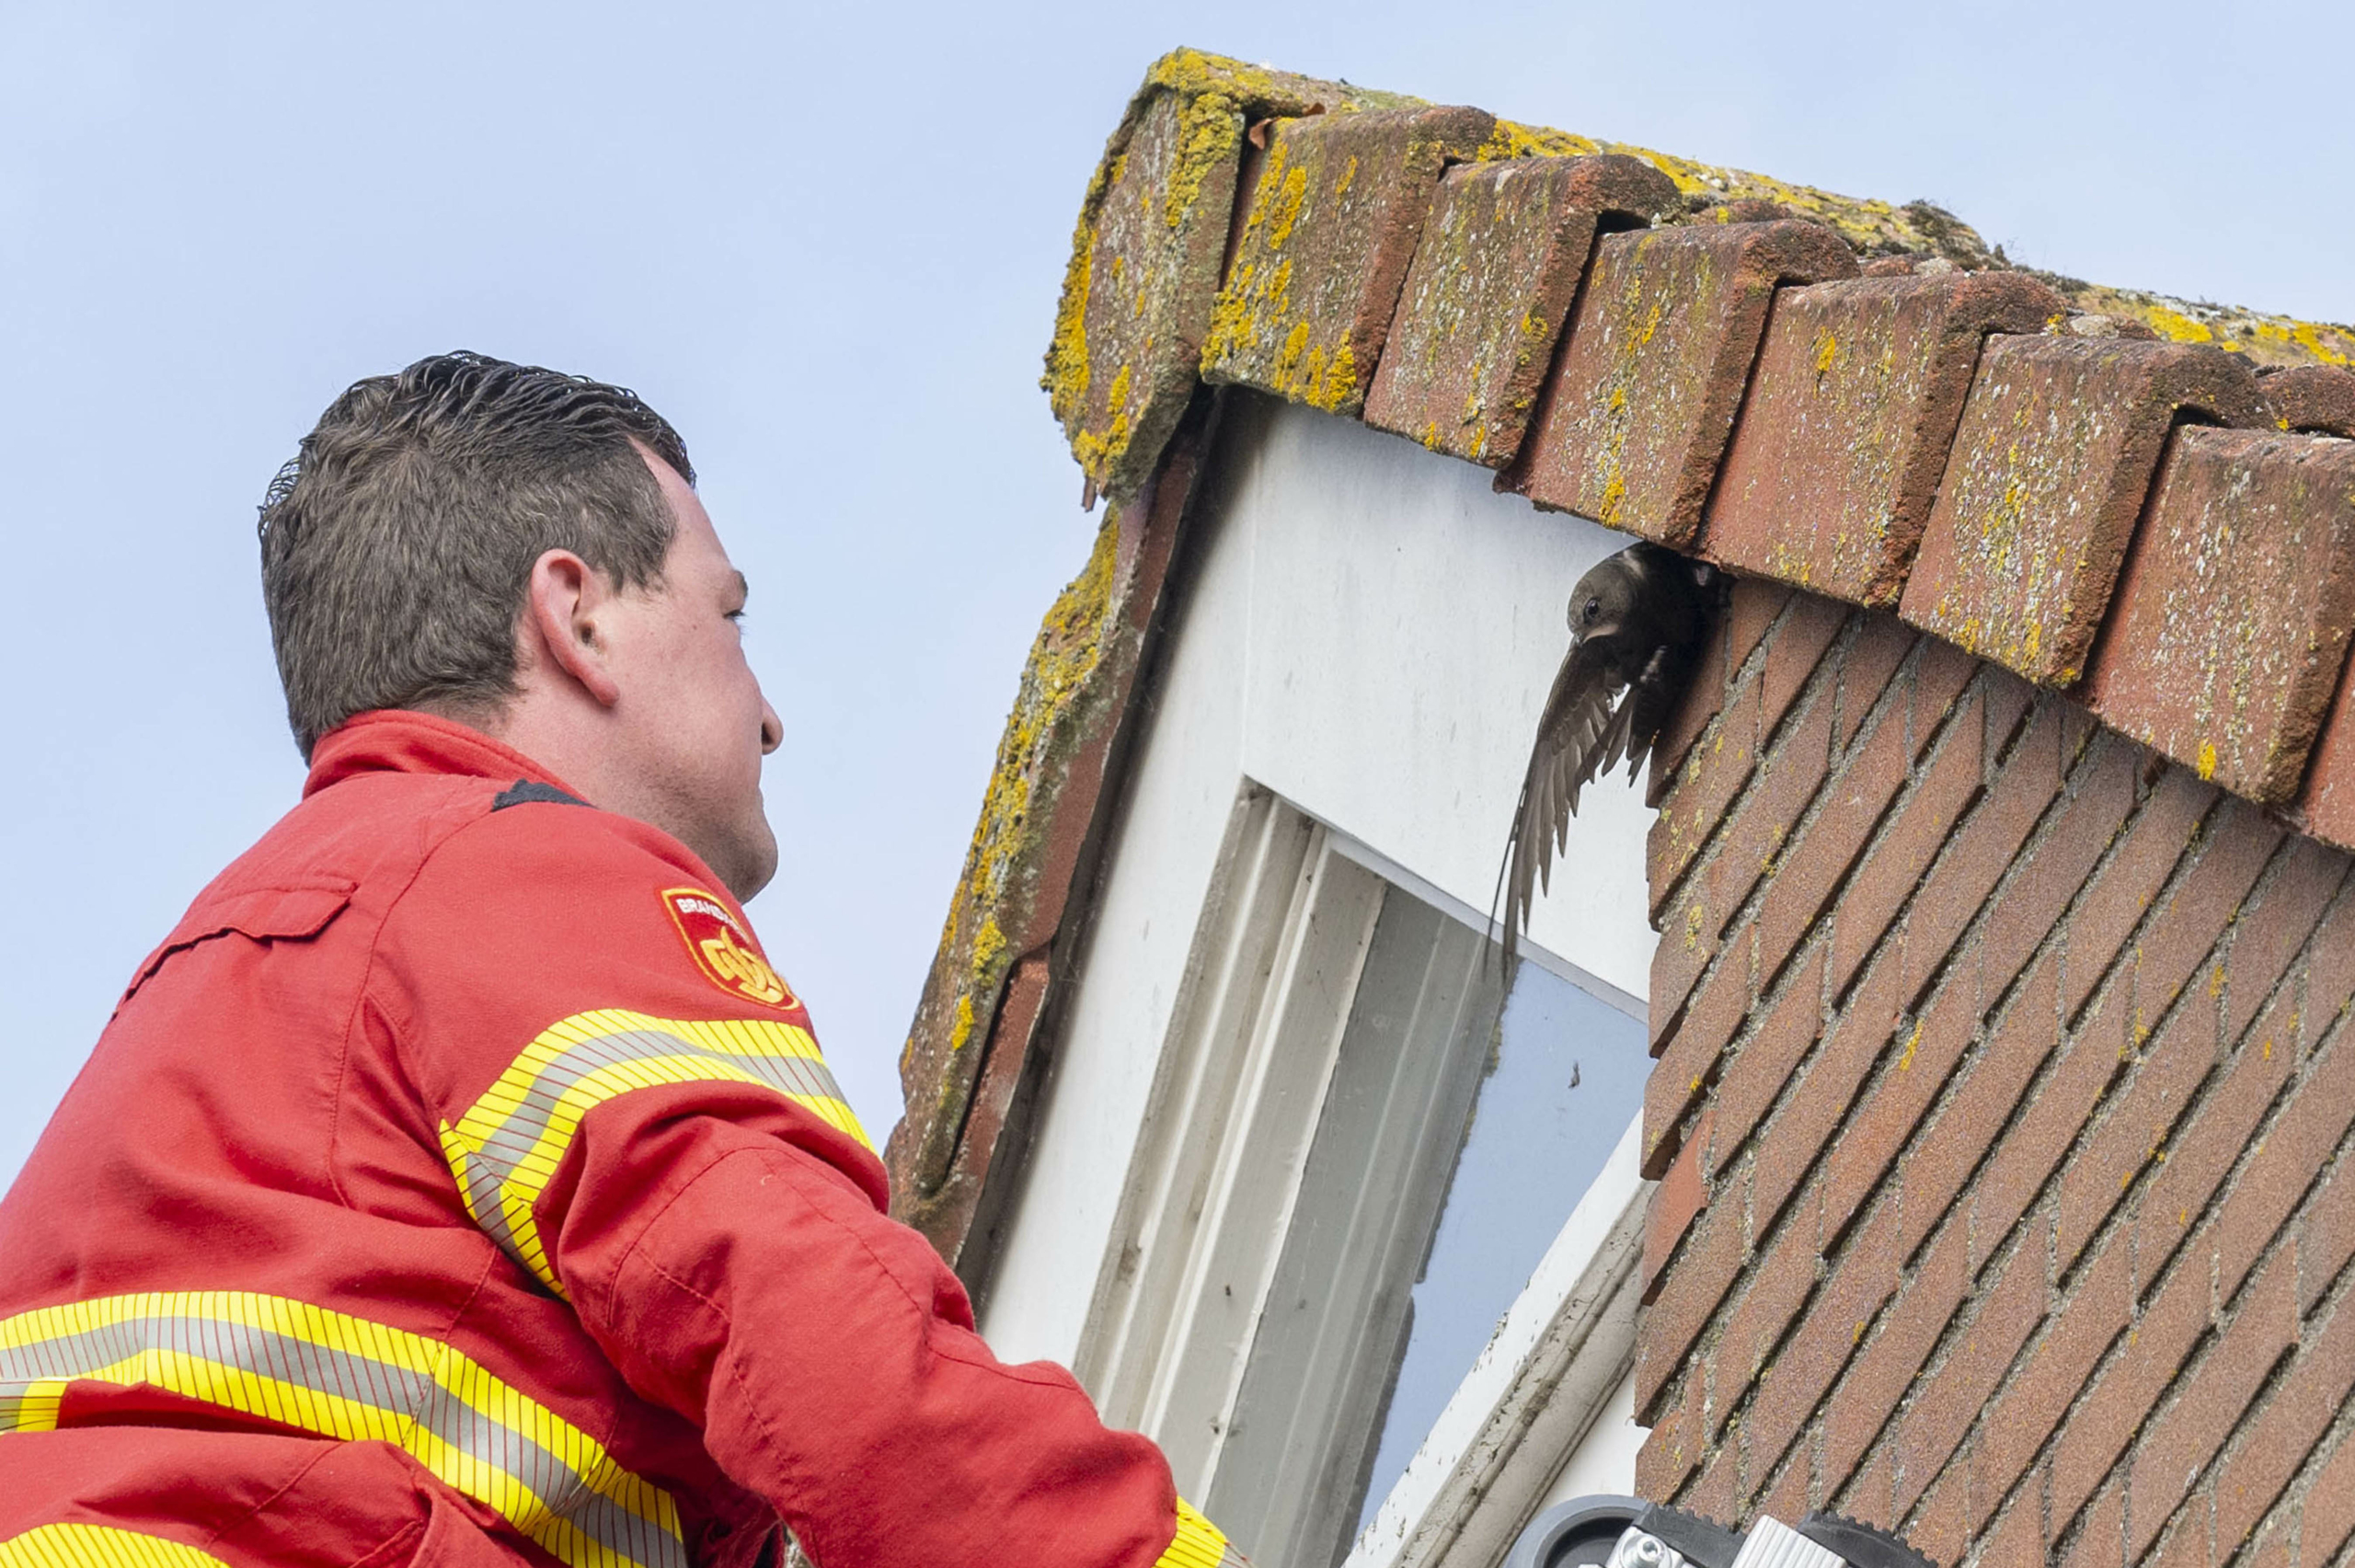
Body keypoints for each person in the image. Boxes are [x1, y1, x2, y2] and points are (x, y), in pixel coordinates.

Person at [0, 353, 1245, 1568]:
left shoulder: (213, 1004)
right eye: (729, 613)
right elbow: (808, 1325)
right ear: (576, 614)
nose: (768, 715)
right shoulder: (509, 870)